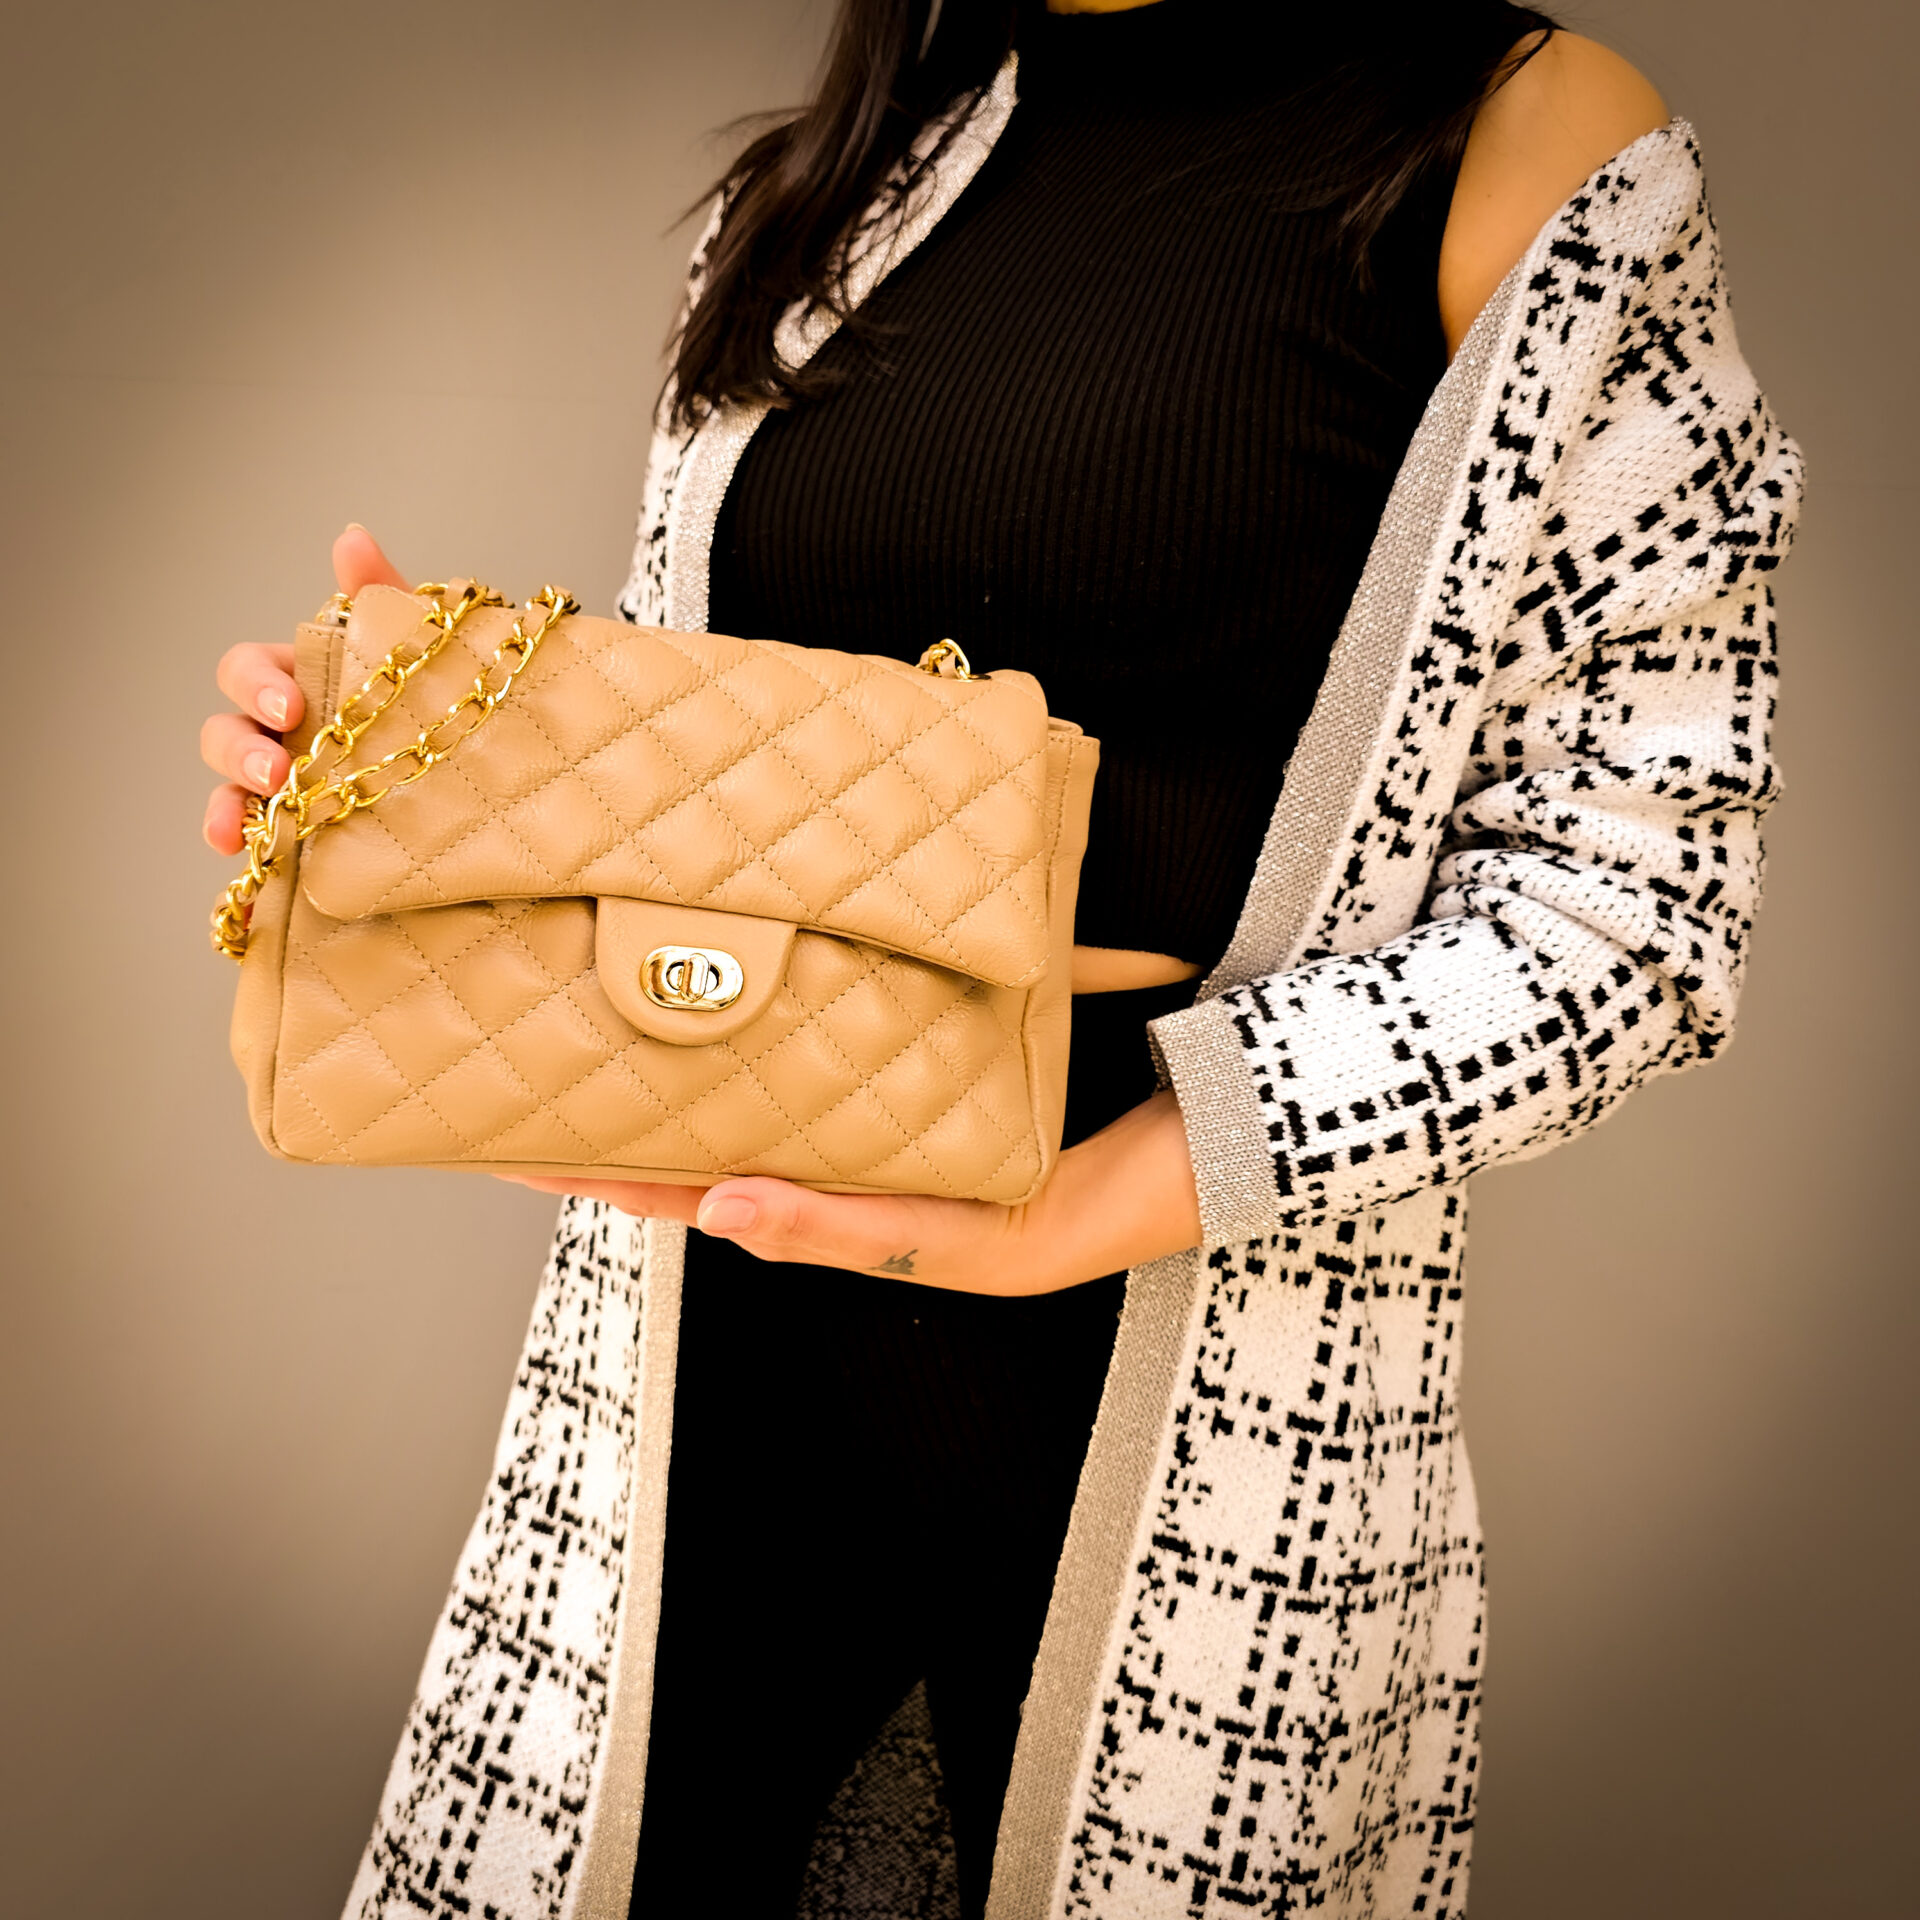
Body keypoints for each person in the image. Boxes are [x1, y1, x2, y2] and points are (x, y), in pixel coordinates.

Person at [198, 3, 1800, 1916]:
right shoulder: (851, 175)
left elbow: (1635, 911)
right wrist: (440, 767)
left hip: (1193, 1459)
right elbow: (734, 792)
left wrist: (1104, 1191)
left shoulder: (1526, 145)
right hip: (695, 1421)